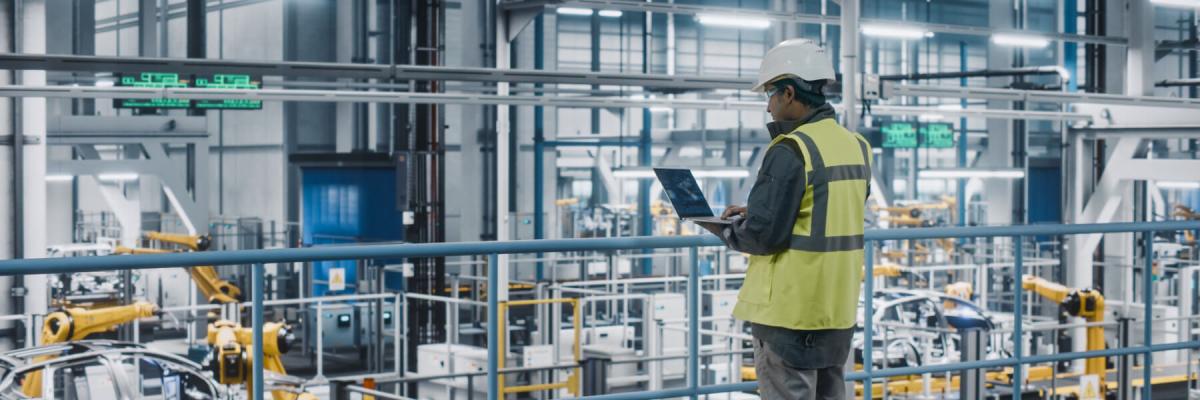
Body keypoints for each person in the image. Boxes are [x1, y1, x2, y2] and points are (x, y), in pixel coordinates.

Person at [696, 39, 872, 400]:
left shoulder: (792, 148)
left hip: (790, 313)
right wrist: (765, 207)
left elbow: (762, 237)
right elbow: (828, 205)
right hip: (836, 308)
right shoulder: (856, 145)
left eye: (771, 94)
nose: (768, 104)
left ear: (789, 93)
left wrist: (720, 227)